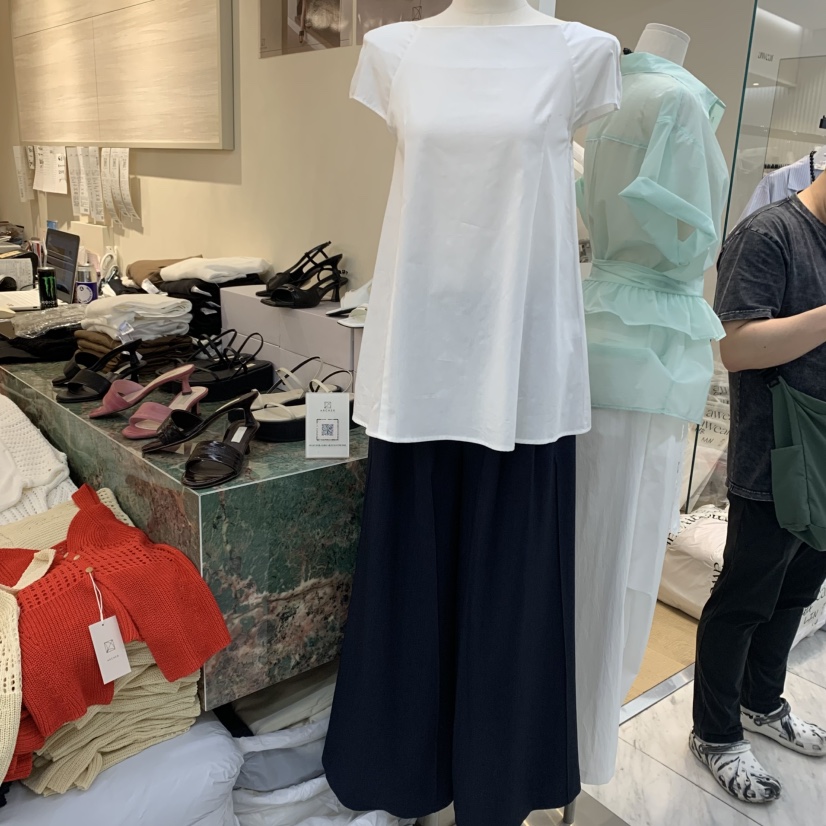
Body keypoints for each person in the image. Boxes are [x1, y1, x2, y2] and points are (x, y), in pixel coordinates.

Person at [691, 166, 826, 803]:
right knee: (744, 600)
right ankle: (715, 733)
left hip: (822, 461)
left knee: (796, 593)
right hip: (773, 458)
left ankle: (761, 703)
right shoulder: (769, 233)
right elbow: (737, 347)